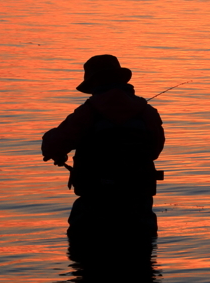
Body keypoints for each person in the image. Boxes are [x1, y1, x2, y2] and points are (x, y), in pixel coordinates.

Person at [42, 55, 165, 239]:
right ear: (121, 80)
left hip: (95, 202)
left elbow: (52, 144)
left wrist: (59, 154)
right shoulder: (147, 112)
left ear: (95, 83)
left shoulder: (87, 112)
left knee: (87, 256)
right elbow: (155, 150)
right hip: (137, 200)